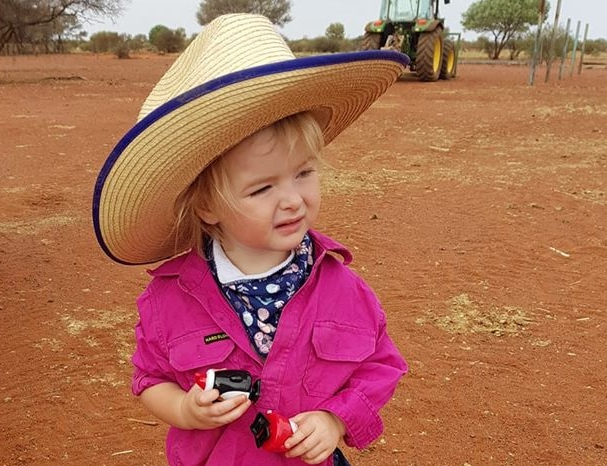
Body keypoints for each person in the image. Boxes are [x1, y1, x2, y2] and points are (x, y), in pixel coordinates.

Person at [92, 13, 409, 466]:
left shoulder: (342, 288)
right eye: (262, 188)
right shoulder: (169, 299)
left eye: (303, 174)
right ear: (207, 207)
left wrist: (334, 420)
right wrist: (184, 409)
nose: (292, 200)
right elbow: (150, 378)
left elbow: (382, 364)